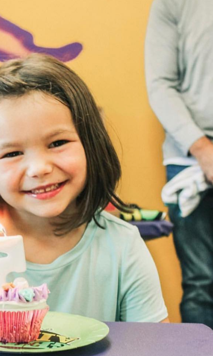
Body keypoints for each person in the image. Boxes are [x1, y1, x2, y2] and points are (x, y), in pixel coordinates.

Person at [0, 54, 168, 323]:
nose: (38, 168)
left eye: (57, 143)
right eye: (13, 153)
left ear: (90, 144)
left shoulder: (124, 247)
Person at [145, 0, 213, 328]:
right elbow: (160, 85)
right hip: (189, 160)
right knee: (202, 284)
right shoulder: (173, 3)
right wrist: (203, 149)